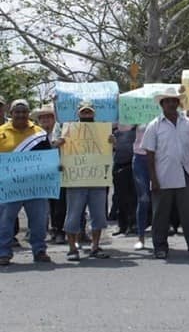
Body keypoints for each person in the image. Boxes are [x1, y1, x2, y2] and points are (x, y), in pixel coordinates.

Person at [142, 88, 189, 259]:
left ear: (178, 103)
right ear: (162, 104)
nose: (171, 104)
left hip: (186, 172)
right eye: (167, 101)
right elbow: (149, 154)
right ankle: (160, 246)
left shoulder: (187, 123)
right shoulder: (154, 125)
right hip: (163, 174)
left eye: (174, 101)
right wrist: (153, 179)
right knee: (161, 213)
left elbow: (187, 147)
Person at [0, 99, 54, 266]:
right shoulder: (1, 132)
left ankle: (39, 250)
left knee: (38, 221)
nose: (21, 115)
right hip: (10, 186)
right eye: (17, 112)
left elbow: (46, 159)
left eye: (24, 112)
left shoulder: (39, 133)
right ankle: (3, 253)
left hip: (35, 186)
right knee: (5, 221)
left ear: (28, 114)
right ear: (11, 114)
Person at [58, 101, 113, 261]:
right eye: (84, 112)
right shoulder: (67, 129)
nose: (86, 115)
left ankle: (95, 247)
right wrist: (59, 143)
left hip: (97, 180)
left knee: (99, 216)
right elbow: (54, 145)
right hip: (75, 180)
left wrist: (111, 142)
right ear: (78, 113)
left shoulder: (102, 130)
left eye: (89, 112)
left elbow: (109, 151)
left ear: (94, 113)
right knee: (73, 216)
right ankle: (72, 248)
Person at [31, 104, 67, 245]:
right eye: (42, 117)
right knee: (41, 205)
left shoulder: (62, 132)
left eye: (48, 116)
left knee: (59, 204)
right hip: (41, 174)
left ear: (54, 118)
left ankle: (58, 231)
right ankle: (40, 232)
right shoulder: (34, 135)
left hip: (59, 171)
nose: (45, 120)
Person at [112, 124, 137, 236]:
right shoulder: (113, 125)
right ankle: (122, 225)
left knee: (134, 196)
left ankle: (133, 224)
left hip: (135, 162)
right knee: (119, 196)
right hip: (119, 162)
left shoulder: (137, 125)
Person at [131, 124, 150, 250]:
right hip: (140, 158)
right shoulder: (136, 108)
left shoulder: (164, 109)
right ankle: (141, 237)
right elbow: (122, 127)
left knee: (161, 199)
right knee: (143, 199)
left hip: (161, 157)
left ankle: (160, 239)